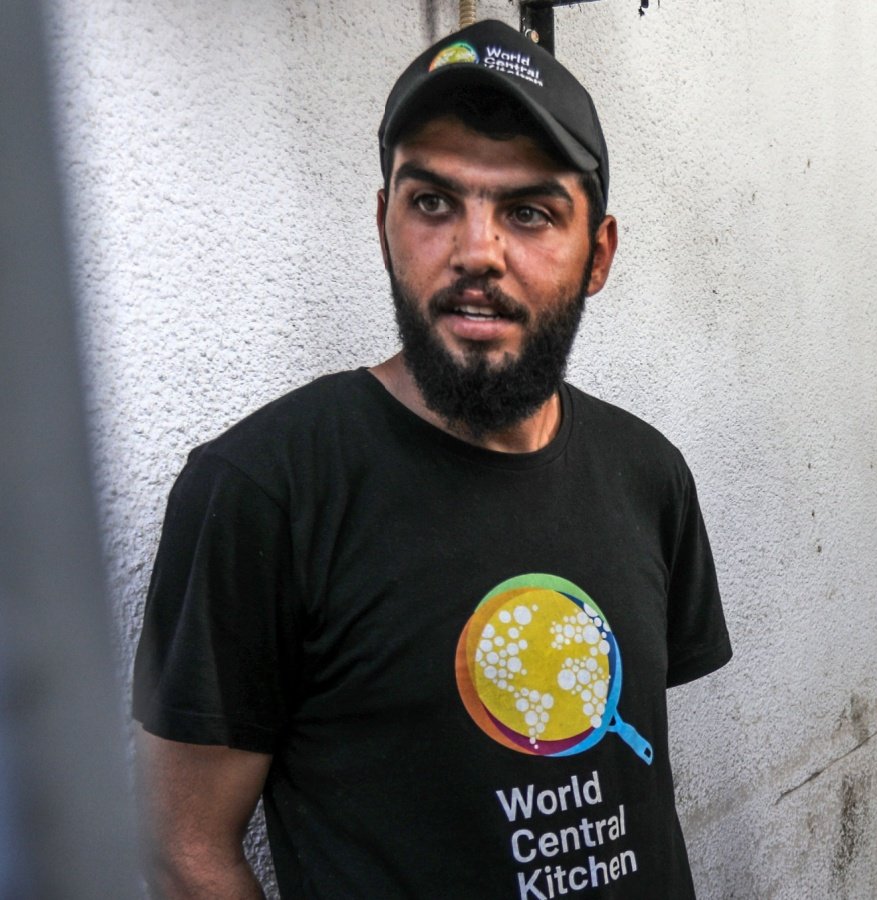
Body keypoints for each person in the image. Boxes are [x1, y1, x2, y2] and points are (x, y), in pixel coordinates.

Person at [131, 20, 731, 899]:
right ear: (384, 224)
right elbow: (183, 848)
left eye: (529, 212)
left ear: (597, 254)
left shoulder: (649, 473)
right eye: (433, 202)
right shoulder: (261, 492)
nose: (476, 251)